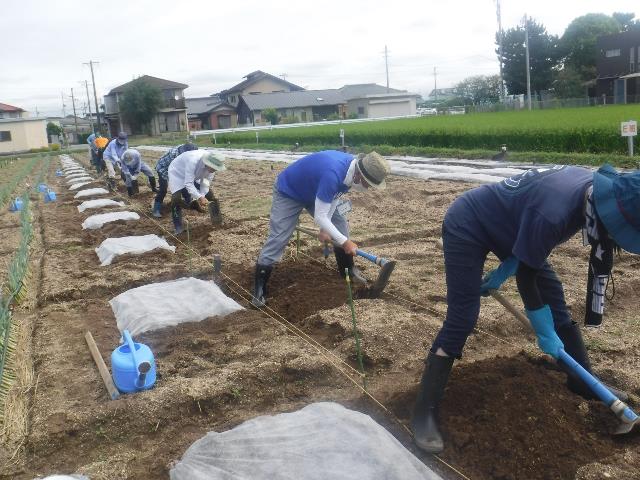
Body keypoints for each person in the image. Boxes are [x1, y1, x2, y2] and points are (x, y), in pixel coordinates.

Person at [411, 164, 638, 454]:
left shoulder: (592, 192)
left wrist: (503, 270)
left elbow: (529, 247)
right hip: (468, 223)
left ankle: (581, 381)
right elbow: (527, 277)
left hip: (511, 227)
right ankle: (423, 411)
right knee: (463, 317)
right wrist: (544, 332)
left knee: (553, 292)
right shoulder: (556, 212)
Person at [251, 150, 391, 308]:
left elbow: (335, 196)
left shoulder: (350, 172)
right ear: (359, 175)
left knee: (339, 225)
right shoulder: (334, 173)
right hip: (290, 191)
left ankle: (348, 269)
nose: (368, 187)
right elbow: (320, 216)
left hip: (317, 191)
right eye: (368, 184)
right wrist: (345, 242)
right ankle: (259, 289)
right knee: (279, 237)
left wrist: (327, 229)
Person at [167, 150, 226, 234]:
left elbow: (205, 183)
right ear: (208, 163)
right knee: (176, 199)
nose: (215, 170)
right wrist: (199, 197)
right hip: (178, 173)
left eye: (216, 168)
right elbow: (188, 183)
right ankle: (178, 227)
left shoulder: (211, 170)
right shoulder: (193, 161)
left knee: (210, 195)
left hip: (194, 174)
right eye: (214, 168)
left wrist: (202, 195)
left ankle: (217, 221)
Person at [153, 143, 198, 217]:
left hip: (176, 170)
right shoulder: (175, 155)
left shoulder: (188, 150)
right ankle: (156, 210)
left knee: (184, 187)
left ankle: (189, 204)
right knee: (163, 190)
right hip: (163, 169)